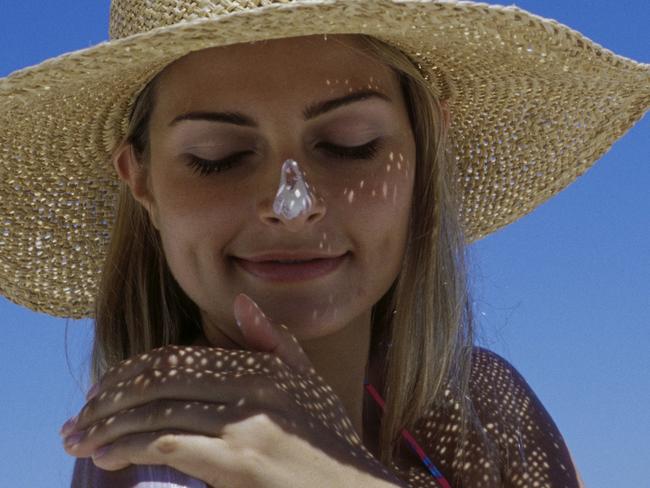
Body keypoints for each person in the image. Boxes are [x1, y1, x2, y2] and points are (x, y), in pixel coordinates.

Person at [1, 1, 647, 487]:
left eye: (351, 146)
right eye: (217, 156)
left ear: (427, 151)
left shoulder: (486, 405)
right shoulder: (153, 444)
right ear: (140, 181)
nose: (292, 205)